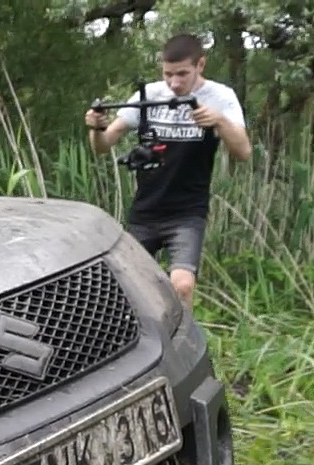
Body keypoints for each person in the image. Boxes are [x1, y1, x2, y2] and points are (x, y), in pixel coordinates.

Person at [85, 34, 251, 306]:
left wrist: (218, 121)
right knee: (124, 286)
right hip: (145, 209)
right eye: (168, 74)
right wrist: (96, 126)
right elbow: (103, 145)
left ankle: (183, 342)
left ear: (200, 65)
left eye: (182, 74)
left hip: (187, 212)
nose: (174, 83)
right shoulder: (149, 95)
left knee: (182, 285)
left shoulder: (220, 97)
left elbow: (243, 152)